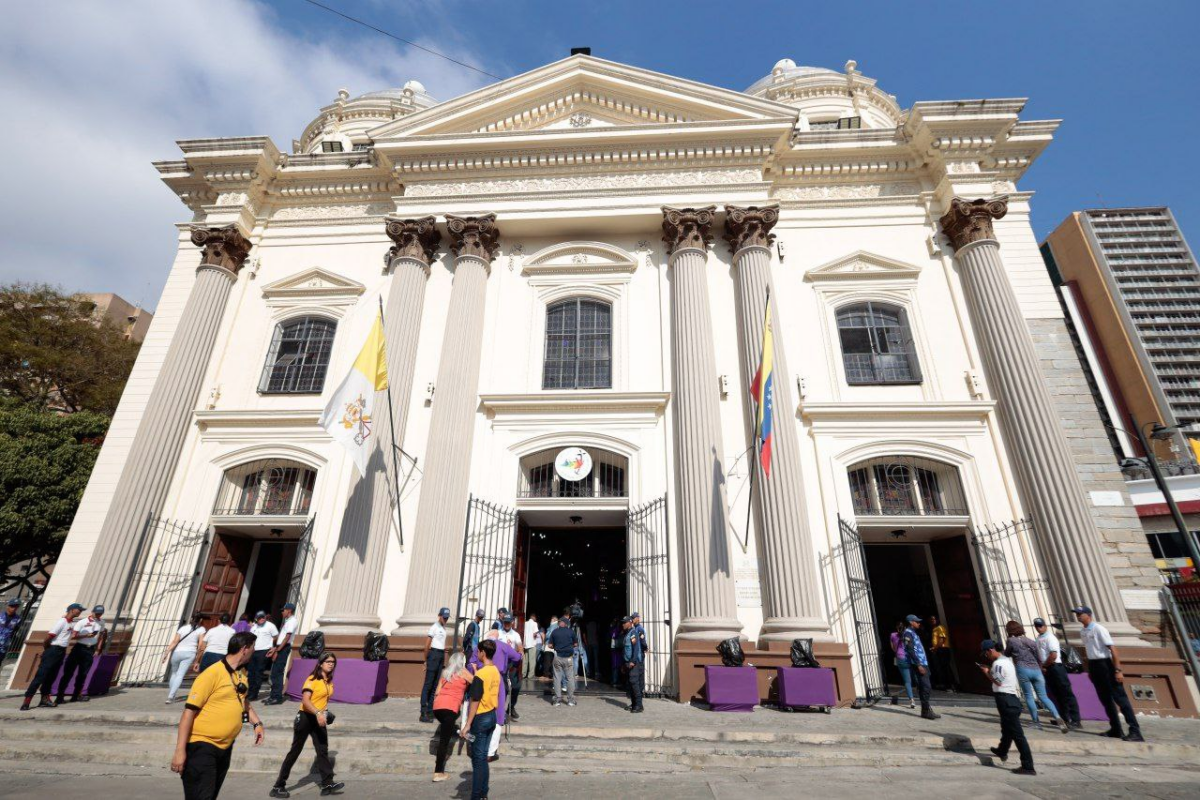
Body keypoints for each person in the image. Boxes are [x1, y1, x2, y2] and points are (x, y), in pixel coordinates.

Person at [171, 631, 264, 799]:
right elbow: (188, 713)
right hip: (202, 747)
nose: (254, 651)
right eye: (253, 648)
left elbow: (243, 701)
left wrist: (257, 724)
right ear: (244, 649)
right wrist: (179, 751)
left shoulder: (241, 674)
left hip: (224, 748)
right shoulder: (211, 674)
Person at [270, 651, 343, 797]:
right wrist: (317, 713)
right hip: (305, 718)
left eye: (333, 662)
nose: (331, 664)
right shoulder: (312, 679)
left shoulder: (328, 680)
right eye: (328, 662)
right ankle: (278, 786)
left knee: (322, 750)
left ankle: (327, 783)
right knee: (295, 751)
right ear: (320, 663)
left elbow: (322, 700)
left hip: (319, 718)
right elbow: (306, 700)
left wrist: (326, 713)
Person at [1073, 606, 1143, 742]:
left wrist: (1118, 670)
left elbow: (1113, 649)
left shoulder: (1099, 629)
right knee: (1105, 699)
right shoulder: (1083, 631)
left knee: (1120, 698)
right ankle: (1116, 728)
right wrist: (1089, 670)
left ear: (1088, 615)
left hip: (1105, 664)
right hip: (1094, 666)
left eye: (1080, 614)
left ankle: (1135, 730)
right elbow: (1089, 651)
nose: (1078, 616)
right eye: (1077, 614)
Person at [979, 639, 1036, 776]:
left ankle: (1028, 766)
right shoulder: (1007, 662)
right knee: (1006, 728)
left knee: (1017, 735)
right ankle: (1002, 750)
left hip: (1005, 699)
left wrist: (986, 671)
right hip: (1012, 699)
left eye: (986, 654)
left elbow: (997, 681)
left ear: (990, 651)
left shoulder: (998, 664)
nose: (986, 656)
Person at [1004, 620, 1068, 733]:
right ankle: (1058, 716)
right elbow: (1037, 655)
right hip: (1036, 670)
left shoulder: (1011, 641)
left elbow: (1007, 653)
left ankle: (1036, 722)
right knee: (1044, 696)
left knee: (1029, 696)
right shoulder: (1030, 641)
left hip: (1023, 668)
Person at [21, 602, 84, 710]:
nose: (80, 611)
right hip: (53, 650)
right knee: (41, 676)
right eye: (79, 609)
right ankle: (27, 701)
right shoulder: (61, 622)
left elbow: (74, 633)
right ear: (72, 610)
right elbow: (48, 637)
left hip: (61, 651)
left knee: (52, 677)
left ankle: (44, 699)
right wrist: (48, 650)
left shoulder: (70, 623)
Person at [469, 630, 520, 761]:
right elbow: (517, 657)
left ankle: (476, 746)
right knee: (498, 714)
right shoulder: (503, 646)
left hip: (481, 677)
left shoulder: (480, 647)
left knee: (479, 707)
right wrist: (512, 666)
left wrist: (474, 671)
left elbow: (470, 664)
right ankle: (490, 752)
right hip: (498, 678)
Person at [461, 639, 501, 800]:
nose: (477, 654)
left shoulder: (481, 674)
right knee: (483, 757)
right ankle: (483, 792)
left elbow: (475, 700)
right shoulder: (495, 670)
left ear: (483, 653)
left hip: (481, 717)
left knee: (477, 760)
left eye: (478, 651)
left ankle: (476, 795)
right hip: (492, 714)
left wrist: (467, 724)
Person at [1033, 618, 1082, 730]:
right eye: (1036, 626)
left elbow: (1053, 655)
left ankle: (1076, 720)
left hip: (1056, 667)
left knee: (1066, 693)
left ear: (1045, 626)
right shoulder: (1039, 638)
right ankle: (1064, 717)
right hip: (1047, 668)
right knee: (1057, 694)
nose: (1038, 628)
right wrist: (1043, 666)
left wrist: (1044, 665)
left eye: (1040, 625)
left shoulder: (1050, 638)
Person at [431, 651, 472, 783]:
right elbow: (476, 682)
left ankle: (455, 731)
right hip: (450, 708)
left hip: (438, 708)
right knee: (444, 741)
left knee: (447, 728)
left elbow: (437, 691)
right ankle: (438, 772)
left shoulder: (445, 672)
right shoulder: (463, 672)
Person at [56, 604, 106, 704]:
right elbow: (73, 636)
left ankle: (76, 695)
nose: (98, 615)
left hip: (90, 649)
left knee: (83, 674)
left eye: (100, 614)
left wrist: (98, 649)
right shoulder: (82, 622)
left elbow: (101, 635)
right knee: (68, 673)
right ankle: (60, 696)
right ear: (92, 612)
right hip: (79, 648)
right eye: (97, 613)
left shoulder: (101, 622)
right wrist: (85, 635)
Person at [903, 614, 939, 720]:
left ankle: (927, 709)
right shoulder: (908, 633)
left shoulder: (913, 633)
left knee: (925, 687)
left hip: (923, 663)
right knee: (926, 687)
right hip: (919, 664)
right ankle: (926, 711)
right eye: (916, 621)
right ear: (911, 622)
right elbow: (910, 650)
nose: (919, 623)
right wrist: (918, 665)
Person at [164, 614, 206, 704]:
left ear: (191, 619)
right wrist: (197, 658)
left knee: (174, 673)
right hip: (189, 653)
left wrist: (167, 652)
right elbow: (200, 644)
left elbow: (175, 642)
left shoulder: (182, 628)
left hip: (177, 653)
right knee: (180, 675)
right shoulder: (201, 630)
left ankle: (172, 695)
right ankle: (170, 696)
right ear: (201, 620)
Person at [420, 607, 451, 723]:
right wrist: (426, 661)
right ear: (439, 616)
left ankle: (430, 710)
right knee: (428, 684)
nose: (446, 620)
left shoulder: (443, 628)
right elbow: (426, 646)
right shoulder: (434, 627)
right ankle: (423, 711)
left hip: (440, 655)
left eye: (447, 618)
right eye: (444, 617)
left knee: (435, 685)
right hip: (433, 655)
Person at [264, 603, 298, 705]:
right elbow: (282, 637)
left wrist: (278, 650)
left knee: (277, 673)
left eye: (283, 610)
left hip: (284, 648)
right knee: (274, 672)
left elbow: (287, 637)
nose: (282, 612)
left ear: (289, 611)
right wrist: (275, 648)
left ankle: (277, 697)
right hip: (280, 647)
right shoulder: (288, 621)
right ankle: (273, 695)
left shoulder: (292, 621)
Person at [248, 611, 278, 701]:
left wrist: (273, 647)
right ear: (256, 618)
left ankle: (254, 694)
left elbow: (276, 636)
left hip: (263, 651)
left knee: (258, 673)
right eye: (260, 617)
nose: (262, 619)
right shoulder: (254, 627)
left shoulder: (270, 626)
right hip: (253, 651)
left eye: (263, 617)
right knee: (250, 673)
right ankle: (249, 692)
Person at [547, 615, 577, 707]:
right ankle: (571, 700)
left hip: (558, 657)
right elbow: (575, 644)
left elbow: (550, 645)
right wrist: (569, 647)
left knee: (557, 678)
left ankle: (557, 700)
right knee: (570, 678)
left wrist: (556, 646)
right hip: (568, 658)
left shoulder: (555, 632)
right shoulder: (571, 632)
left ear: (560, 623)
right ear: (566, 624)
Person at [499, 615, 523, 720]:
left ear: (512, 622)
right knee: (503, 688)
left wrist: (521, 654)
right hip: (501, 662)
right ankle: (501, 711)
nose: (507, 624)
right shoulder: (498, 633)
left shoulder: (516, 635)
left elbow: (520, 647)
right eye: (505, 622)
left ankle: (511, 707)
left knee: (516, 686)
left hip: (512, 662)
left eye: (509, 622)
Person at [621, 616, 644, 713]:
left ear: (630, 623)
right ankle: (634, 704)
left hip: (633, 663)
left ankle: (639, 705)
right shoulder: (627, 633)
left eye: (624, 622)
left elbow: (636, 649)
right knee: (630, 684)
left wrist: (633, 661)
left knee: (634, 683)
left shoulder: (633, 633)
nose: (623, 624)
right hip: (628, 662)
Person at [929, 614, 956, 692]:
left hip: (943, 649)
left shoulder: (940, 628)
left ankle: (951, 685)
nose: (932, 621)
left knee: (946, 668)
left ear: (937, 620)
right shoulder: (934, 629)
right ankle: (946, 685)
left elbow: (941, 640)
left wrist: (935, 648)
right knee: (941, 668)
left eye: (934, 619)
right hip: (938, 650)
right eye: (931, 620)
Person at [890, 621, 914, 709]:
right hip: (909, 658)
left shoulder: (893, 635)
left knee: (907, 681)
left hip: (900, 658)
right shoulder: (907, 635)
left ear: (897, 627)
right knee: (913, 678)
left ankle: (912, 700)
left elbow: (893, 648)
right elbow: (911, 647)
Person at [522, 613, 539, 681]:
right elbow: (535, 633)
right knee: (532, 661)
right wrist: (535, 637)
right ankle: (530, 675)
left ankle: (523, 674)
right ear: (533, 617)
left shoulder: (525, 623)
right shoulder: (534, 623)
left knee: (525, 661)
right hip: (532, 644)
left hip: (525, 644)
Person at [540, 616, 558, 680]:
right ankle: (552, 674)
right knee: (553, 661)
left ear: (553, 619)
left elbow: (548, 635)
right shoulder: (557, 626)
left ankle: (546, 675)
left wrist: (545, 638)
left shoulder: (553, 626)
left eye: (551, 619)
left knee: (547, 661)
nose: (550, 620)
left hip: (549, 645)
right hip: (554, 646)